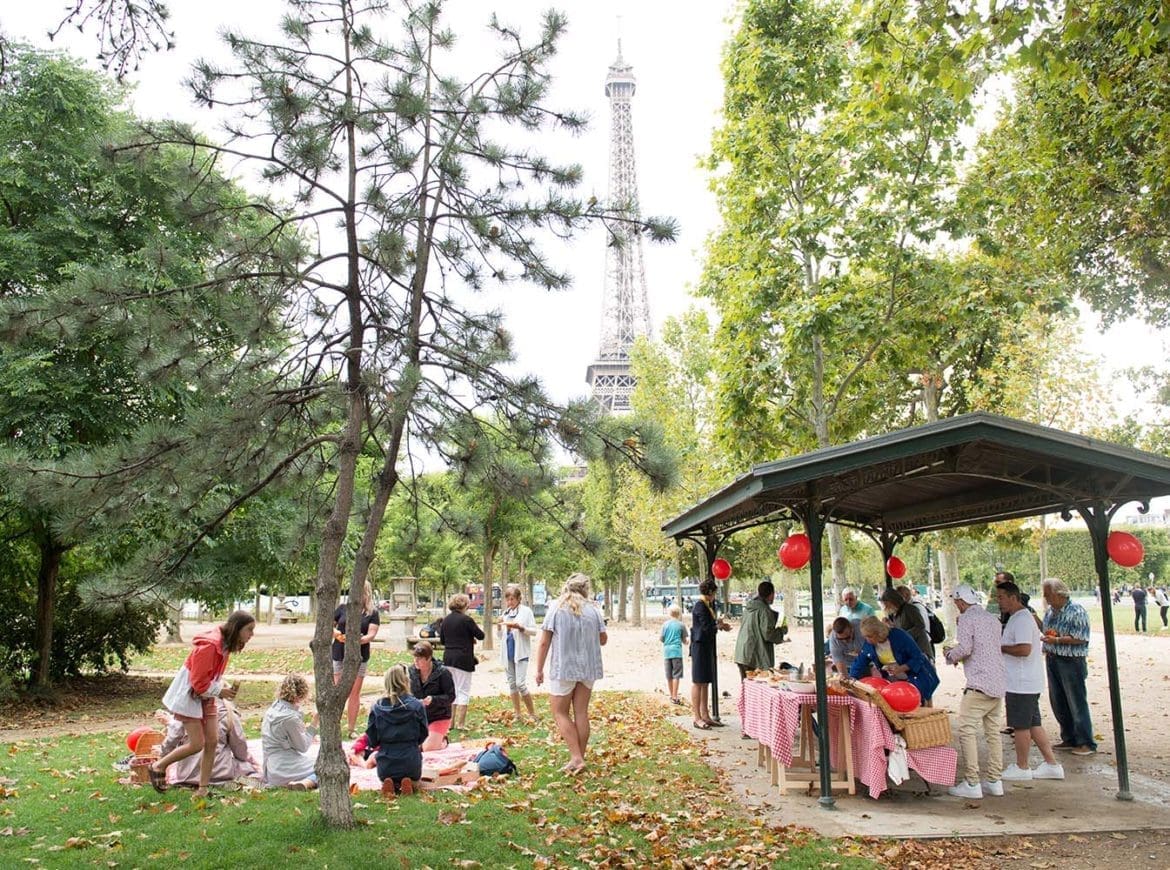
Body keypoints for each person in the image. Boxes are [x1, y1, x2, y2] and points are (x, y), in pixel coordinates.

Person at [151, 610, 256, 796]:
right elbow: (198, 684)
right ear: (237, 627)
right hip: (190, 697)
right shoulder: (209, 646)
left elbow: (210, 677)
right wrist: (220, 691)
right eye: (249, 630)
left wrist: (222, 687)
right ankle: (159, 765)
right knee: (197, 744)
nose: (251, 635)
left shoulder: (224, 645)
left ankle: (202, 789)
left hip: (206, 696)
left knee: (212, 741)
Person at [534, 572, 607, 775]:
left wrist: (539, 669)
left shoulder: (556, 608)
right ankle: (579, 758)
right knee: (581, 712)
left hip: (564, 667)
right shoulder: (593, 610)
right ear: (585, 589)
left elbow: (544, 641)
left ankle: (576, 757)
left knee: (559, 712)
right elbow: (603, 639)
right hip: (588, 668)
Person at [997, 582, 1064, 783]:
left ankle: (1022, 766)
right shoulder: (1018, 618)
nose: (998, 602)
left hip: (1021, 681)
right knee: (1033, 724)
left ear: (1012, 597)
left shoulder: (1022, 620)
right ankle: (1052, 764)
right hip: (1025, 680)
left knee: (1020, 726)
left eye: (1001, 597)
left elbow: (1024, 649)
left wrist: (1001, 647)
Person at [944, 584, 1007, 799]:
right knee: (992, 733)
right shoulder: (992, 619)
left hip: (979, 683)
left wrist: (950, 654)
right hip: (998, 681)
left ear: (961, 602)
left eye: (956, 603)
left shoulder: (966, 619)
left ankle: (972, 782)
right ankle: (994, 780)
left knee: (966, 730)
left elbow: (965, 648)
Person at [1041, 578, 1096, 755]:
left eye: (1048, 594)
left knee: (1076, 701)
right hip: (1053, 658)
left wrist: (1057, 640)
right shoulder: (1050, 612)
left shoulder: (1076, 611)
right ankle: (1069, 737)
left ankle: (1086, 741)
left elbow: (1081, 637)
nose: (1045, 597)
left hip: (1071, 661)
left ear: (1058, 594)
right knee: (1058, 701)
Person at [157, 698, 257, 787]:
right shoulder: (228, 714)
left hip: (187, 774)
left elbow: (171, 740)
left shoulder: (187, 710)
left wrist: (163, 755)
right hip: (220, 773)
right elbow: (240, 750)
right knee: (246, 768)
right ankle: (258, 784)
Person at [366, 664, 429, 798]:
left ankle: (390, 782)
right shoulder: (417, 705)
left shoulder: (376, 708)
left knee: (387, 775)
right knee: (416, 779)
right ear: (406, 681)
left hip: (386, 761)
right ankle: (408, 782)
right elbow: (424, 734)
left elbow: (372, 739)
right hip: (410, 758)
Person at [849, 616, 939, 703]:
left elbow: (918, 657)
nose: (867, 639)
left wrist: (901, 668)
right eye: (865, 636)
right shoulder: (869, 644)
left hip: (916, 676)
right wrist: (851, 678)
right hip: (893, 679)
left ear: (878, 633)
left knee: (920, 705)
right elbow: (859, 662)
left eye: (869, 636)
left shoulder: (899, 636)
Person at [332, 580, 381, 739]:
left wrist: (358, 639)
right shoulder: (342, 609)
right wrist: (338, 635)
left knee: (354, 692)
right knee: (338, 690)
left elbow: (371, 634)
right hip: (339, 652)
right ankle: (334, 726)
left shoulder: (372, 613)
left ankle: (351, 729)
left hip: (359, 655)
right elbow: (330, 626)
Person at [261, 674, 318, 791]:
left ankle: (300, 782)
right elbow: (303, 747)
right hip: (285, 768)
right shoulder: (290, 718)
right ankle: (307, 782)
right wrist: (315, 722)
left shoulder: (272, 710)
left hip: (271, 769)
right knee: (327, 767)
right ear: (300, 695)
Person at [689, 578, 732, 730]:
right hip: (699, 646)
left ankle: (705, 714)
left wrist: (718, 625)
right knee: (698, 681)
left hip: (707, 646)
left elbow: (710, 625)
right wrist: (718, 625)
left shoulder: (707, 605)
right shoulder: (700, 606)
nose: (715, 596)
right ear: (709, 593)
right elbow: (706, 627)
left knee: (706, 681)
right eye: (714, 593)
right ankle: (697, 717)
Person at [439, 593, 485, 730]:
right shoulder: (467, 620)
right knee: (463, 690)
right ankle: (460, 723)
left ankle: (450, 723)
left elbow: (442, 640)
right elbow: (481, 635)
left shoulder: (445, 620)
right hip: (463, 658)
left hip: (448, 658)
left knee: (452, 690)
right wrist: (469, 637)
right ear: (465, 605)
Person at [497, 584, 539, 722]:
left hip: (520, 652)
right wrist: (499, 626)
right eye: (508, 600)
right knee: (512, 684)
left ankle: (532, 713)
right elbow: (500, 636)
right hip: (508, 653)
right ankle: (518, 714)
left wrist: (521, 628)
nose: (510, 602)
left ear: (518, 599)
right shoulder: (505, 614)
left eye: (512, 599)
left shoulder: (526, 612)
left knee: (521, 683)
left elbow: (533, 631)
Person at [733, 581, 788, 679]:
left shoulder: (749, 607)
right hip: (754, 656)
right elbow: (768, 634)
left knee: (746, 685)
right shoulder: (764, 610)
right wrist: (782, 631)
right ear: (771, 594)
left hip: (742, 653)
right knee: (756, 686)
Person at [408, 640, 455, 751]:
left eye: (419, 659)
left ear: (428, 658)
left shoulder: (443, 673)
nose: (416, 661)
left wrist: (433, 700)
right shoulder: (411, 671)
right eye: (415, 658)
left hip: (439, 716)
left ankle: (442, 740)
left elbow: (451, 696)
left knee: (428, 749)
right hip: (418, 717)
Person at [879, 586, 931, 659]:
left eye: (886, 604)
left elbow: (920, 626)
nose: (885, 607)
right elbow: (900, 629)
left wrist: (905, 636)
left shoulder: (909, 609)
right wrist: (890, 625)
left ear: (893, 601)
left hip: (920, 650)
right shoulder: (895, 614)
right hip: (909, 652)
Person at [660, 604, 688, 705]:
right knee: (676, 675)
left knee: (669, 675)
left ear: (669, 613)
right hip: (677, 652)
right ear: (679, 614)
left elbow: (661, 639)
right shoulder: (681, 625)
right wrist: (687, 642)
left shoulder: (665, 625)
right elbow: (684, 640)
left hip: (667, 652)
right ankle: (675, 696)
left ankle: (671, 694)